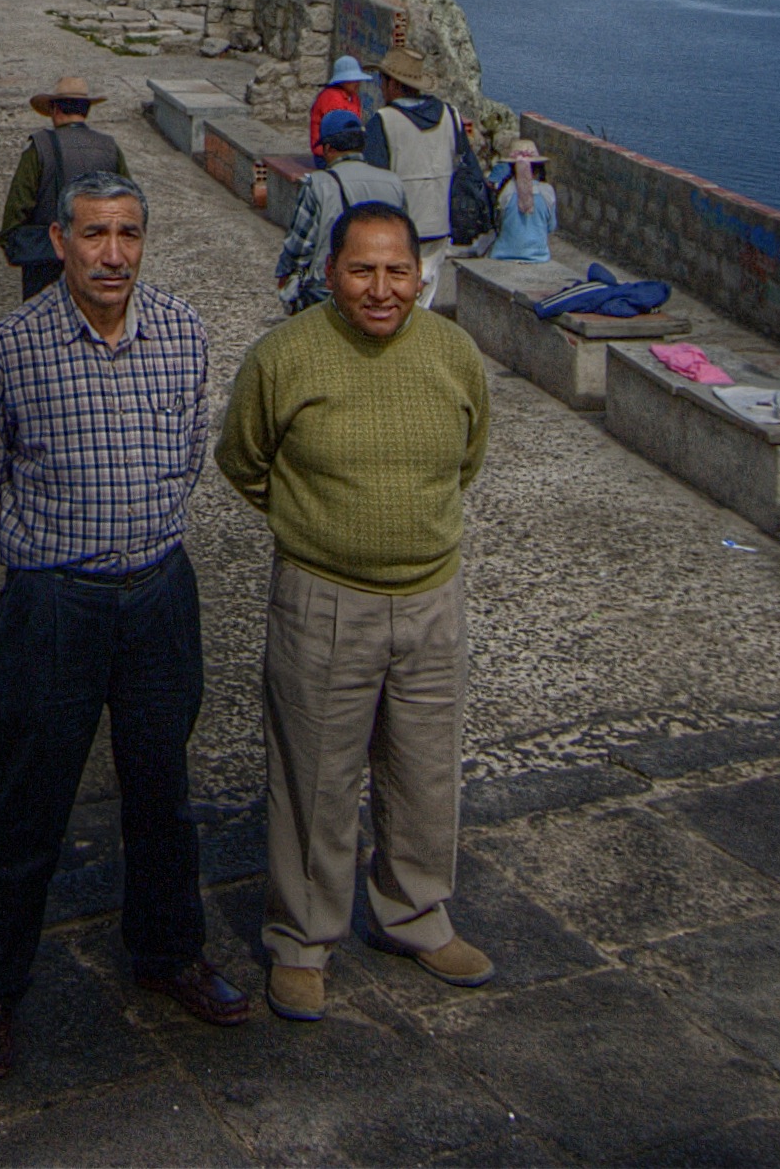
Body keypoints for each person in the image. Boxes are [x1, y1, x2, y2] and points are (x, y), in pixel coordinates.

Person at [0, 174, 253, 1077]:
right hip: (54, 604)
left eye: (127, 235)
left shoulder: (183, 331)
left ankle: (169, 955)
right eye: (93, 236)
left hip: (158, 594)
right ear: (59, 242)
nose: (112, 254)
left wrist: (138, 530)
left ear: (143, 241)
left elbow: (190, 449)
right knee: (27, 803)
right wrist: (38, 552)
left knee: (162, 792)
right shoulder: (11, 348)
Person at [217, 201, 496, 1020]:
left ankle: (414, 916)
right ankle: (301, 940)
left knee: (424, 772)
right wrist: (321, 526)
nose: (381, 289)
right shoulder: (284, 357)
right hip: (322, 601)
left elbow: (468, 457)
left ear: (420, 274)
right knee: (315, 780)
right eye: (362, 270)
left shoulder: (454, 352)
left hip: (432, 599)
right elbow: (243, 458)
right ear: (331, 274)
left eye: (397, 270)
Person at [0, 76, 126, 302]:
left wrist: (13, 244)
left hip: (45, 259)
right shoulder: (109, 147)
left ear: (55, 110)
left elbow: (18, 205)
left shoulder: (39, 147)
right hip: (97, 256)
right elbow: (127, 204)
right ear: (86, 110)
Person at [273, 112, 410, 312]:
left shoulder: (318, 184)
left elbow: (300, 244)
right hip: (381, 285)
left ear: (328, 148)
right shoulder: (394, 183)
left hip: (328, 286)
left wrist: (286, 276)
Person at [371, 54, 477, 251]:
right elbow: (469, 166)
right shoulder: (450, 115)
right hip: (441, 223)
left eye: (382, 81)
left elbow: (375, 179)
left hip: (400, 226)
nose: (380, 87)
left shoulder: (383, 120)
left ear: (393, 84)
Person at [485, 141, 556, 264]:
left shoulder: (506, 191)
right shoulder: (547, 191)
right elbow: (551, 226)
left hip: (503, 254)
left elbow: (499, 223)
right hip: (538, 256)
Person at [306, 54, 376, 162]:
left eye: (357, 79)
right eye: (351, 80)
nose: (356, 83)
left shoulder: (353, 97)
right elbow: (338, 133)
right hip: (328, 155)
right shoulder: (331, 97)